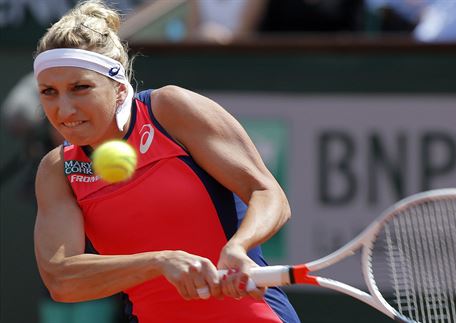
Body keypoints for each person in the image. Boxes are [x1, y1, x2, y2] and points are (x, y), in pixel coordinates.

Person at [33, 1, 300, 322]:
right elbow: (62, 280)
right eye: (49, 92)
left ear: (118, 87)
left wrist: (238, 247)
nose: (64, 110)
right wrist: (159, 262)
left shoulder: (171, 110)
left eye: (80, 88)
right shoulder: (57, 170)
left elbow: (268, 194)